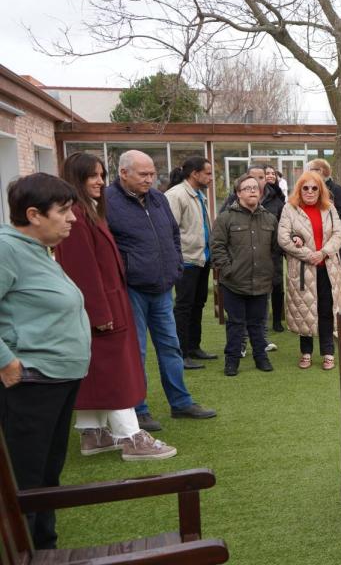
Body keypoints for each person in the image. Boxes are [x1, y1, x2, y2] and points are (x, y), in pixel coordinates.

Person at [55, 153, 176, 461]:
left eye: (100, 175)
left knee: (99, 370)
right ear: (76, 180)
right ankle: (131, 436)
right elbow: (83, 271)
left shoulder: (88, 211)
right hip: (103, 307)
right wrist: (100, 313)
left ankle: (92, 433)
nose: (99, 181)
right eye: (91, 176)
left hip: (108, 303)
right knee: (116, 371)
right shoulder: (77, 215)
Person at [0, 173, 90, 549]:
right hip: (33, 382)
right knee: (28, 475)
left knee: (47, 472)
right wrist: (6, 361)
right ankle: (24, 551)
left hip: (57, 378)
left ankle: (44, 545)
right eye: (64, 211)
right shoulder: (7, 248)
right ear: (34, 215)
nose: (72, 219)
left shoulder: (36, 248)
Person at [106, 150, 216, 432]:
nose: (150, 179)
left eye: (152, 173)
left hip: (163, 286)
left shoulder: (158, 198)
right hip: (133, 289)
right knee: (137, 351)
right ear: (123, 173)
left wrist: (175, 265)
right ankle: (139, 409)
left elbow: (172, 234)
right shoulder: (108, 202)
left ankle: (181, 403)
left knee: (170, 346)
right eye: (143, 174)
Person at [278, 171, 341, 370]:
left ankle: (327, 352)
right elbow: (283, 238)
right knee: (304, 311)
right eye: (305, 188)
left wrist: (324, 252)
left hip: (327, 268)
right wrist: (310, 255)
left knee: (326, 310)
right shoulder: (289, 209)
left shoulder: (330, 208)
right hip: (302, 270)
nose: (309, 192)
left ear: (321, 190)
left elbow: (338, 235)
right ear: (299, 189)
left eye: (314, 188)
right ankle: (306, 352)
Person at [212, 174, 278, 375]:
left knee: (258, 324)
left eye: (255, 188)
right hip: (233, 283)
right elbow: (217, 247)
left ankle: (261, 357)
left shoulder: (270, 218)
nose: (252, 191)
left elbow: (277, 248)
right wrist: (228, 270)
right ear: (238, 193)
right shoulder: (225, 218)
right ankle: (231, 361)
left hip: (261, 282)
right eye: (247, 188)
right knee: (235, 324)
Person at [220, 164, 285, 352]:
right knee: (238, 314)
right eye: (253, 177)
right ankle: (240, 345)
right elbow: (220, 239)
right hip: (239, 269)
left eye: (261, 177)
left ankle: (261, 342)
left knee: (260, 310)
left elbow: (279, 236)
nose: (257, 182)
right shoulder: (232, 203)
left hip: (265, 266)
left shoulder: (276, 200)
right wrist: (227, 268)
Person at [165, 156, 216, 370]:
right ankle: (182, 353)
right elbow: (169, 230)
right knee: (184, 307)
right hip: (186, 261)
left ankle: (194, 347)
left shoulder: (199, 195)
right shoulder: (176, 195)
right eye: (208, 173)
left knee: (198, 304)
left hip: (201, 259)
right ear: (194, 174)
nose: (212, 178)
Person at [307, 159, 341, 318]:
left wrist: (327, 209)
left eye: (312, 169)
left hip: (335, 242)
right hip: (316, 242)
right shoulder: (309, 189)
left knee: (339, 280)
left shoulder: (337, 190)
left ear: (322, 171)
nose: (309, 172)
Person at [264, 165, 288, 332]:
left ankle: (277, 321)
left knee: (277, 286)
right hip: (257, 249)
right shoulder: (255, 197)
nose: (270, 176)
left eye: (273, 173)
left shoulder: (279, 200)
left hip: (275, 250)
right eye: (267, 173)